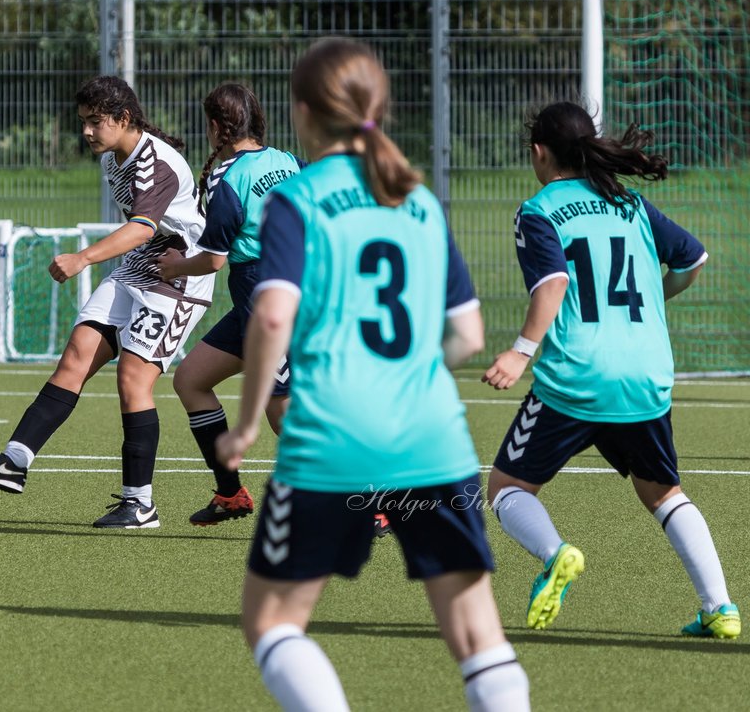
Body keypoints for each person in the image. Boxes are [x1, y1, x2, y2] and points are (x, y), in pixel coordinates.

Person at [217, 37, 529, 712]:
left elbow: (271, 319)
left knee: (271, 622)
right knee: (478, 636)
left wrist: (245, 424)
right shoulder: (417, 198)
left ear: (302, 112)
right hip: (432, 441)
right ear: (376, 108)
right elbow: (468, 335)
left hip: (333, 439)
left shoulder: (297, 198)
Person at [481, 101, 740, 639]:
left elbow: (553, 285)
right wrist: (651, 299)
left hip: (577, 377)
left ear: (539, 152)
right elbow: (694, 261)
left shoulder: (539, 209)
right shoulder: (631, 203)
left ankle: (555, 556)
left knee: (506, 489)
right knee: (664, 493)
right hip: (646, 375)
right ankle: (721, 608)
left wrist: (519, 352)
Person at [0, 75, 215, 529]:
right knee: (76, 355)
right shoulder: (115, 159)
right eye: (82, 121)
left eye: (94, 121)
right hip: (142, 266)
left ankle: (139, 504)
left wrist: (83, 258)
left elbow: (142, 227)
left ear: (123, 118)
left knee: (132, 378)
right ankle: (14, 461)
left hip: (179, 277)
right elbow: (143, 236)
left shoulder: (154, 164)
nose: (85, 131)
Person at [155, 82, 302, 526]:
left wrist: (176, 266)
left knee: (283, 414)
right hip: (269, 296)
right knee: (192, 380)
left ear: (216, 126)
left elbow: (216, 260)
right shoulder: (286, 160)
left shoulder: (228, 178)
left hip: (269, 298)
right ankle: (230, 492)